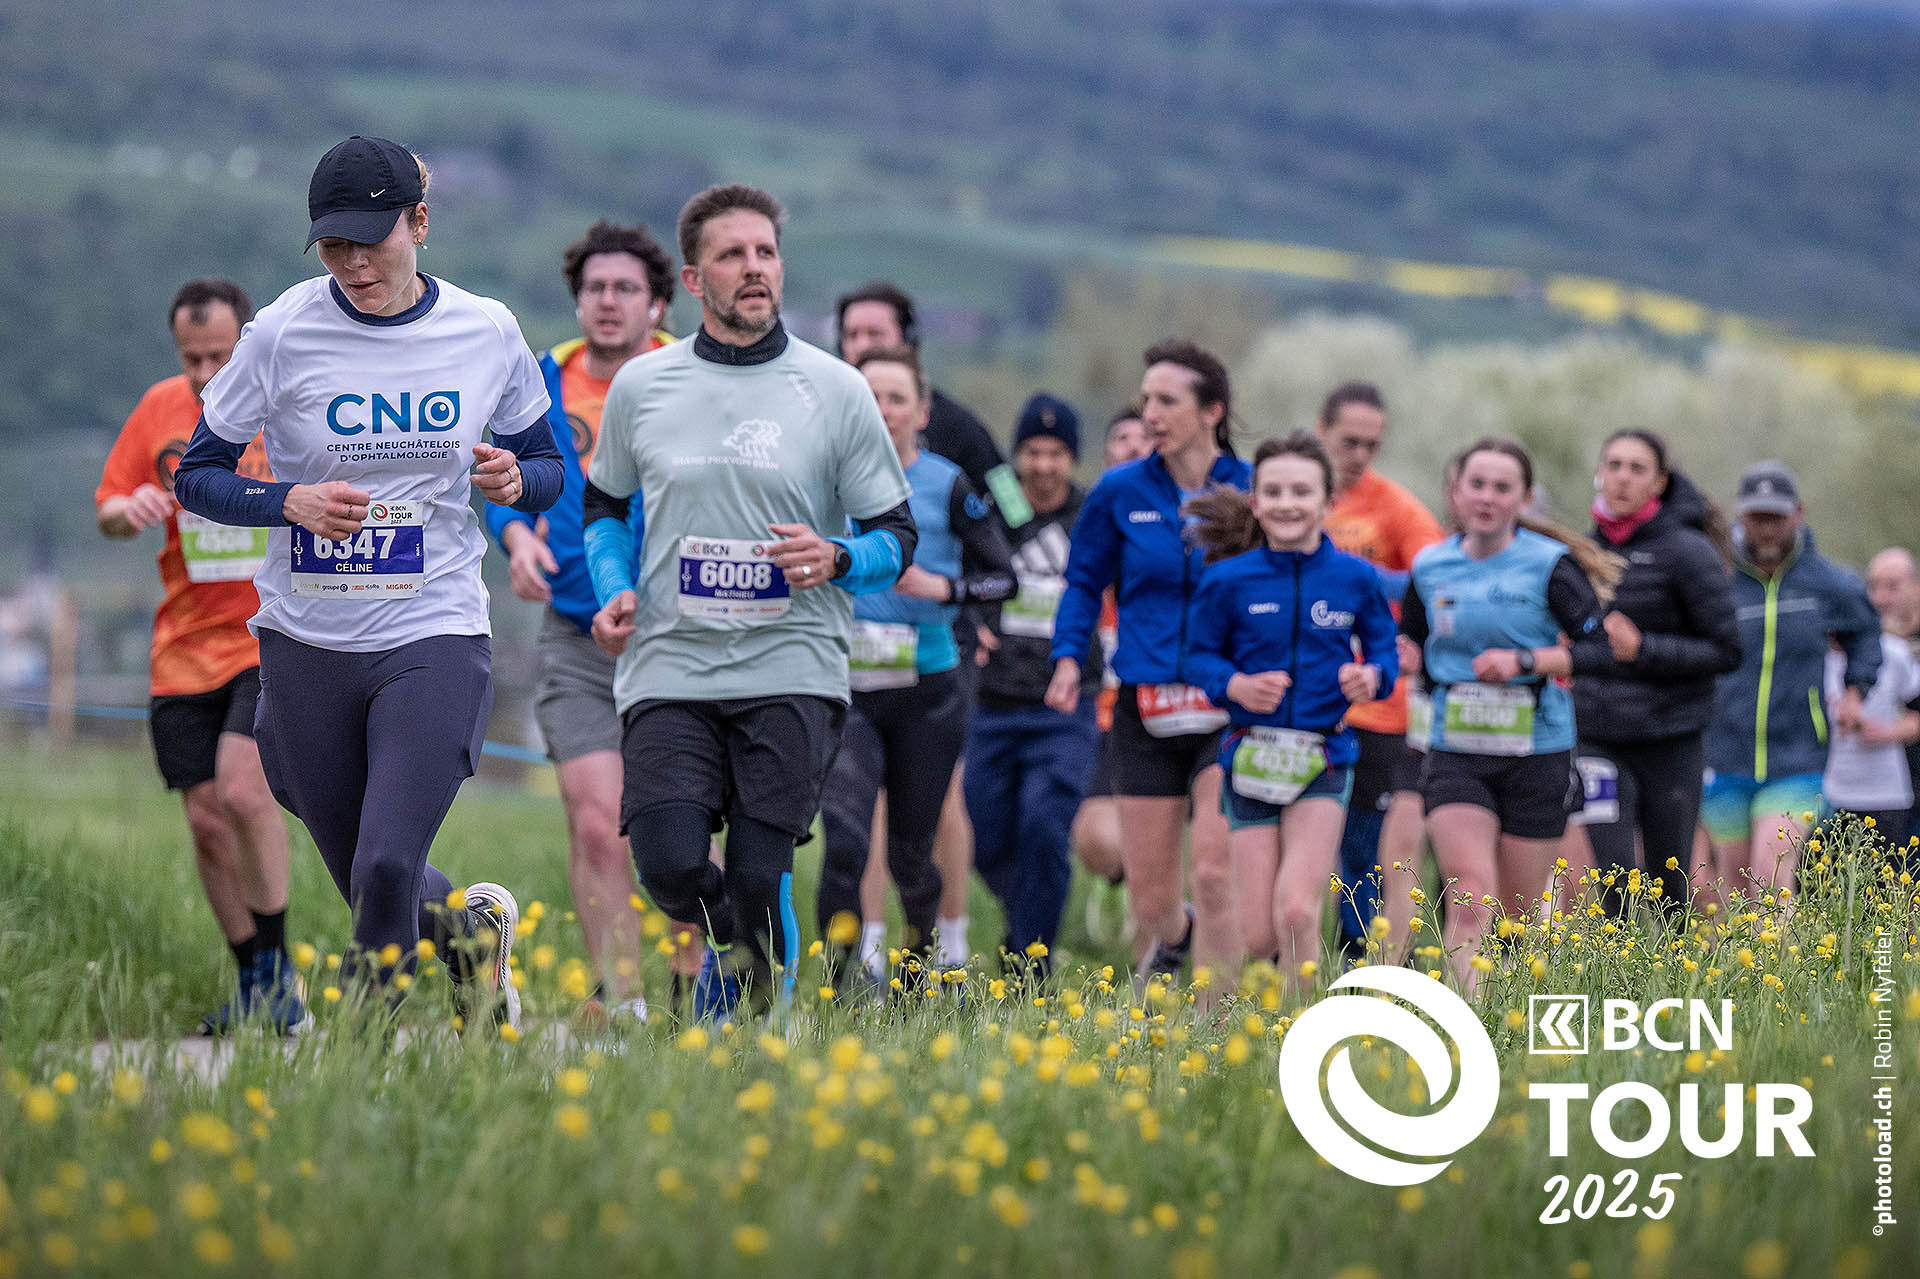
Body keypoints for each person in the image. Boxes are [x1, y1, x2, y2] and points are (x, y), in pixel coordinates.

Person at [173, 136, 563, 1031]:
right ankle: (472, 939)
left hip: (434, 628)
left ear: (419, 223)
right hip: (307, 641)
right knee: (370, 876)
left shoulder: (485, 329)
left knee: (387, 864)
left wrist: (516, 479)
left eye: (370, 240)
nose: (353, 263)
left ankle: (361, 1059)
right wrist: (289, 500)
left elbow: (546, 466)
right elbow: (198, 475)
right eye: (333, 245)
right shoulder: (282, 333)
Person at [584, 184, 916, 1020]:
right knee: (668, 865)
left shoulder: (836, 389)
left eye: (766, 251)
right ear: (695, 280)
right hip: (670, 661)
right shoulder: (643, 385)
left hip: (791, 663)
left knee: (763, 874)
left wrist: (838, 556)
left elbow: (896, 535)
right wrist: (614, 586)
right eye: (733, 254)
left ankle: (752, 1038)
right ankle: (739, 957)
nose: (755, 267)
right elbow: (604, 509)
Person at [95, 278, 303, 1035]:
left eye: (221, 356)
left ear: (248, 339)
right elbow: (109, 507)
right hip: (182, 649)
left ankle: (281, 975)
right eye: (192, 360)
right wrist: (130, 510)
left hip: (265, 633)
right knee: (207, 822)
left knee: (244, 791)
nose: (208, 374)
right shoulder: (159, 409)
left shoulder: (283, 401)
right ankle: (252, 979)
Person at [485, 220, 676, 1026]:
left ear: (657, 303)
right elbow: (502, 475)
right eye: (595, 287)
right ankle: (622, 1003)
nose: (607, 301)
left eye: (625, 288)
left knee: (683, 832)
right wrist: (516, 536)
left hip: (680, 636)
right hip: (574, 631)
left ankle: (700, 989)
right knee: (598, 825)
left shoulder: (688, 376)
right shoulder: (541, 378)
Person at [1047, 340, 1251, 987]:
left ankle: (1219, 1020)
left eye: (1168, 401)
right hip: (1147, 705)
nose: (1151, 414)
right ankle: (1177, 935)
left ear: (1212, 410)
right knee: (1151, 900)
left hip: (1229, 704)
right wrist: (1067, 657)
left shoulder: (1251, 489)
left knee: (1213, 870)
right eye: (1146, 400)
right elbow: (1083, 583)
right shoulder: (1120, 491)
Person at [835, 280, 1022, 965]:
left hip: (940, 650)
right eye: (853, 336)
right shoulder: (829, 439)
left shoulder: (960, 434)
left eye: (877, 334)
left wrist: (967, 600)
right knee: (856, 813)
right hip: (853, 662)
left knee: (935, 807)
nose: (864, 345)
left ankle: (949, 941)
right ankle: (864, 951)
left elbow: (1011, 514)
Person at [1183, 432, 1398, 998]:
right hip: (1251, 754)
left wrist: (1371, 677)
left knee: (1299, 911)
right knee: (1259, 934)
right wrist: (1235, 684)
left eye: (1302, 492)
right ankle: (1267, 1006)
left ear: (1328, 501)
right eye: (1274, 492)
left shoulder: (1356, 578)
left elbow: (1385, 653)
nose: (1287, 504)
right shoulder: (1228, 580)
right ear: (1255, 502)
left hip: (1324, 756)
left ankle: (1301, 1030)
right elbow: (1197, 658)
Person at [1399, 437, 1615, 998]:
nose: (1487, 498)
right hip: (1456, 751)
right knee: (1470, 897)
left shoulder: (1550, 566)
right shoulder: (1431, 566)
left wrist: (1525, 661)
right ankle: (1465, 1021)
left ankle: (1510, 1019)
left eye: (1502, 488)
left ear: (1523, 497)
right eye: (1477, 485)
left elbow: (1600, 652)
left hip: (1536, 752)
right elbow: (1414, 644)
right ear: (1456, 491)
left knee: (1517, 922)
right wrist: (1404, 658)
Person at [1568, 429, 1742, 915]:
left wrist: (1643, 648)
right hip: (1597, 738)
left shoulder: (1688, 552)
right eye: (1614, 465)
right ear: (1600, 473)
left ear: (1659, 483)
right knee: (1613, 876)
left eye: (1636, 468)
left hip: (1671, 737)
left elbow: (1726, 651)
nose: (1622, 477)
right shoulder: (1580, 553)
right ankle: (1615, 962)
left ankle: (1673, 962)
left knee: (1669, 886)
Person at [963, 394, 1102, 976]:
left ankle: (1029, 966)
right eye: (1032, 452)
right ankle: (1026, 918)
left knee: (1045, 826)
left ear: (1073, 458)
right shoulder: (992, 508)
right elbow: (961, 573)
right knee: (984, 837)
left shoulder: (1093, 514)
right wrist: (969, 623)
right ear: (1016, 454)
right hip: (990, 703)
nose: (1043, 466)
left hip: (1065, 704)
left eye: (1056, 453)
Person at [1703, 461, 1880, 898]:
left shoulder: (1826, 582)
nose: (1766, 528)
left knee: (1770, 871)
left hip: (1798, 756)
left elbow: (1866, 632)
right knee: (1731, 884)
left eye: (1776, 517)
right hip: (1724, 753)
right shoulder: (1717, 579)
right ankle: (1739, 949)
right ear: (1740, 515)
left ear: (1798, 513)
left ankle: (1778, 947)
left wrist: (1856, 691)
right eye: (1757, 517)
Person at [1313, 381, 1444, 964]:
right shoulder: (1289, 495)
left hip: (1377, 703)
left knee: (1364, 841)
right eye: (1350, 441)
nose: (1361, 455)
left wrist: (1358, 577)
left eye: (1372, 445)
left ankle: (1363, 952)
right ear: (1322, 429)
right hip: (1297, 699)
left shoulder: (1395, 506)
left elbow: (1437, 578)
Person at [1070, 406, 1151, 945]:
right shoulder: (1084, 520)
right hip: (1093, 711)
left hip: (1161, 707)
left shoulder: (1180, 526)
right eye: (1122, 438)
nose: (1134, 446)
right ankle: (1135, 882)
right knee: (1096, 841)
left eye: (1146, 440)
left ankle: (1160, 965)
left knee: (1167, 845)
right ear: (1105, 456)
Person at [1820, 548, 1920, 849]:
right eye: (1874, 587)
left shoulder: (1894, 652)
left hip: (1887, 793)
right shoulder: (1814, 656)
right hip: (1824, 790)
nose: (1881, 597)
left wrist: (1886, 731)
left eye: (1893, 586)